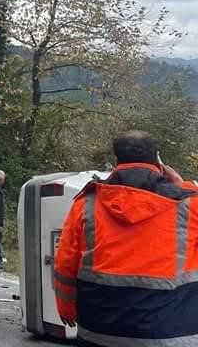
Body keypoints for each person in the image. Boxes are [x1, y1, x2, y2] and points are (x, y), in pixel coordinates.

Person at [53, 131, 198, 347]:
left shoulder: (87, 204)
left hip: (99, 332)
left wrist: (66, 309)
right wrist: (187, 187)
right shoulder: (189, 205)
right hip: (171, 333)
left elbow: (65, 264)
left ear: (116, 161)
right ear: (158, 160)